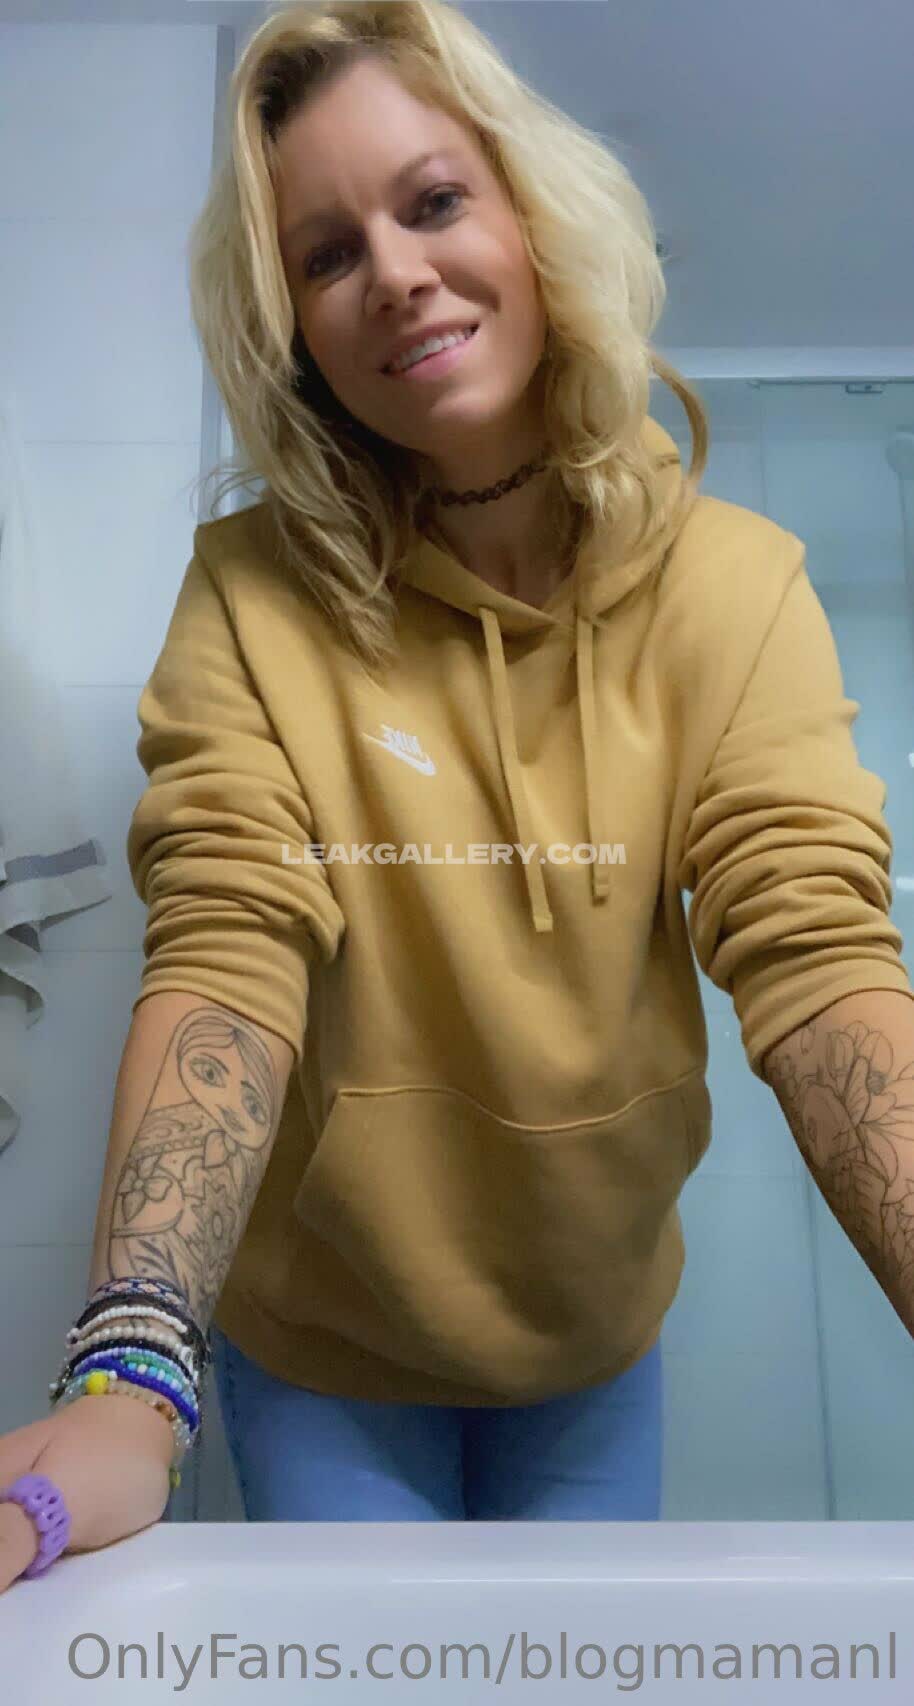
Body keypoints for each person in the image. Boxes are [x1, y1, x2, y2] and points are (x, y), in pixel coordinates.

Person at [2, 0, 912, 1586]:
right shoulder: (248, 594)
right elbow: (224, 954)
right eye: (326, 254)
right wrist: (127, 1378)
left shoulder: (737, 586)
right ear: (293, 327)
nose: (395, 272)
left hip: (593, 1341)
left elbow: (817, 953)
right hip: (322, 1342)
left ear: (533, 212)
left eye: (431, 201)